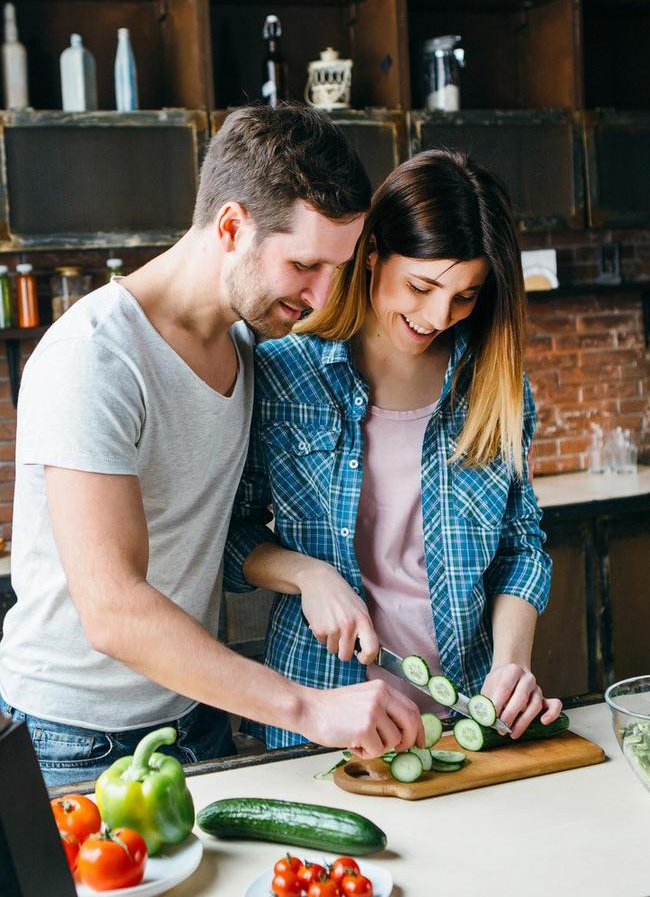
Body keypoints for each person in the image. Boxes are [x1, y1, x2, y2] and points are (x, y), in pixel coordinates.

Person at [0, 103, 424, 789]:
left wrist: (309, 572)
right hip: (74, 739)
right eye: (305, 265)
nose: (321, 298)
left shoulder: (246, 344)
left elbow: (232, 530)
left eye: (335, 270)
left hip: (196, 714)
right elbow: (112, 609)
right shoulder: (96, 357)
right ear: (231, 227)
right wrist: (308, 708)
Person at [225, 149, 562, 749]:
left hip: (466, 719)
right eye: (422, 286)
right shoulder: (282, 373)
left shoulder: (495, 389)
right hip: (322, 715)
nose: (438, 316)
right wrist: (307, 575)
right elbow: (233, 535)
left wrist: (513, 665)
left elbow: (522, 545)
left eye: (465, 296)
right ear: (373, 252)